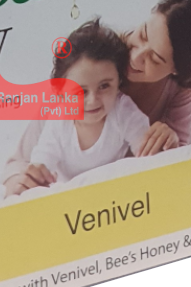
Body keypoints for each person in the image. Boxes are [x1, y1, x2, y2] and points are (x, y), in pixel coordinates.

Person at [3, 0, 191, 197]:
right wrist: (19, 181)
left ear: (176, 70)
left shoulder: (182, 86)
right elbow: (22, 161)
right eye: (143, 35)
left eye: (155, 59)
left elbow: (176, 168)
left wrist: (171, 143)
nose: (136, 57)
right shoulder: (96, 59)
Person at [28, 19, 150, 185]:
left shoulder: (123, 110)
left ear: (119, 82)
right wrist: (38, 172)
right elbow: (42, 160)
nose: (93, 100)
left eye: (104, 86)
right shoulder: (59, 122)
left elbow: (147, 153)